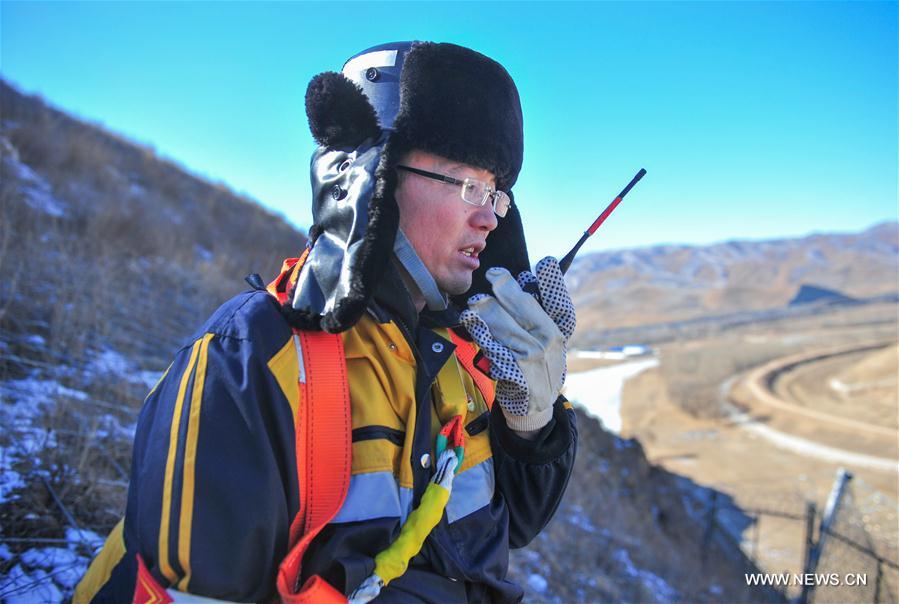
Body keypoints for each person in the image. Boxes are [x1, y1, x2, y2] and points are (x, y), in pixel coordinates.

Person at [75, 41, 577, 603]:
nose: (488, 217)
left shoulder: (464, 358)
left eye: (495, 192)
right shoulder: (249, 359)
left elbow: (515, 527)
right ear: (374, 178)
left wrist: (534, 423)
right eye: (466, 185)